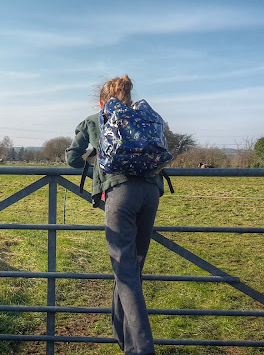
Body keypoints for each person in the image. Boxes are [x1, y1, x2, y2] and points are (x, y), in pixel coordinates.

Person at [65, 75, 164, 355]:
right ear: (129, 96)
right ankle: (123, 337)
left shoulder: (95, 119)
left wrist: (95, 156)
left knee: (126, 274)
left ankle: (142, 349)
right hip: (150, 193)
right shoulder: (144, 116)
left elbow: (71, 158)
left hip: (119, 194)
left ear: (101, 101)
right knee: (132, 270)